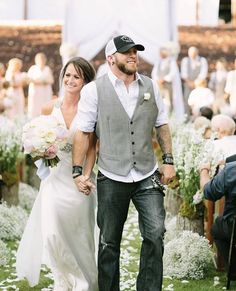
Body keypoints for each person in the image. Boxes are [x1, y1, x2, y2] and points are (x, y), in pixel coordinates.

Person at [72, 35, 176, 291]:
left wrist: (169, 161)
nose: (133, 56)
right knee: (109, 242)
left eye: (135, 52)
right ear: (111, 58)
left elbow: (161, 124)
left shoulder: (151, 86)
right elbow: (84, 132)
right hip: (111, 174)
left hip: (146, 173)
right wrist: (77, 172)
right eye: (126, 52)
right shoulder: (94, 90)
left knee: (155, 233)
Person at [16, 57, 98, 291]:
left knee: (80, 238)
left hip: (79, 180)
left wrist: (86, 175)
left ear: (85, 82)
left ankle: (86, 285)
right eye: (68, 75)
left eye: (77, 76)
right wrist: (40, 150)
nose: (70, 80)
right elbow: (35, 138)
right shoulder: (49, 107)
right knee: (52, 235)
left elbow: (92, 147)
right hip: (54, 179)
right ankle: (62, 282)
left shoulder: (90, 109)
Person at [200, 160, 236, 277]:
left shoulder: (232, 170)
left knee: (217, 227)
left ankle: (233, 271)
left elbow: (209, 192)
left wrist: (204, 170)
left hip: (233, 228)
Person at [151, 47, 184, 117]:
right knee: (159, 100)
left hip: (168, 84)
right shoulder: (158, 62)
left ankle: (170, 116)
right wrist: (157, 79)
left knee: (169, 101)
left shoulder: (171, 62)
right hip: (159, 85)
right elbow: (154, 72)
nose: (160, 54)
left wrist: (164, 79)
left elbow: (173, 73)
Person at [180, 46, 208, 116]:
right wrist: (189, 82)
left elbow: (203, 73)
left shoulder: (202, 60)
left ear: (197, 53)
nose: (192, 55)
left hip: (199, 85)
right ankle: (187, 117)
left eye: (194, 53)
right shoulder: (185, 60)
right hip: (187, 84)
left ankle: (199, 116)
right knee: (187, 100)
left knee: (199, 101)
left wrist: (196, 83)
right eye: (191, 54)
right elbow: (183, 73)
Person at [27, 52, 54, 118]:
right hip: (36, 92)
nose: (41, 61)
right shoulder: (33, 68)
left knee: (46, 107)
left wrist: (43, 81)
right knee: (35, 108)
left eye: (42, 59)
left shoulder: (47, 69)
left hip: (46, 92)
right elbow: (28, 80)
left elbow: (51, 80)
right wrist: (37, 81)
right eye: (39, 59)